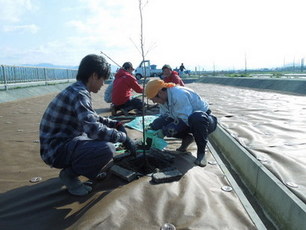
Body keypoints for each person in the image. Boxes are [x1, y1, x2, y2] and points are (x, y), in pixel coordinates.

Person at [39, 54, 136, 196]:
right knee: (106, 148)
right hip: (55, 150)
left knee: (103, 138)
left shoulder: (78, 89)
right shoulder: (79, 94)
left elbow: (93, 118)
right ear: (94, 76)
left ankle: (77, 168)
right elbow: (93, 129)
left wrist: (116, 124)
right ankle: (70, 175)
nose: (103, 84)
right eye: (103, 79)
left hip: (62, 142)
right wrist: (123, 138)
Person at [144, 79, 217, 167]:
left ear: (160, 93)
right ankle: (187, 138)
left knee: (196, 118)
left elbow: (184, 119)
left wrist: (163, 132)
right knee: (160, 124)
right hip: (186, 122)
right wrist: (152, 127)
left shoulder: (179, 94)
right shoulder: (164, 99)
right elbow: (164, 117)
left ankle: (201, 153)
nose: (154, 102)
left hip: (205, 122)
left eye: (154, 99)